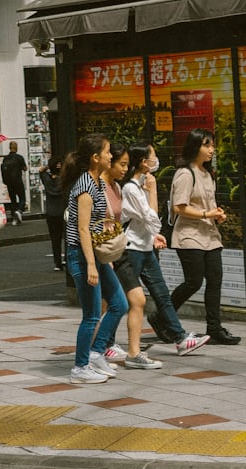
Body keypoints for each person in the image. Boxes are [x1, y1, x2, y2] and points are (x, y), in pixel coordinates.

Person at [121, 143, 209, 356]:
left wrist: (153, 237)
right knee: (120, 300)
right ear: (143, 162)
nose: (156, 160)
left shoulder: (139, 185)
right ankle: (103, 343)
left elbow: (148, 224)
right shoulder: (131, 188)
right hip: (131, 248)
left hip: (145, 246)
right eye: (153, 156)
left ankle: (180, 339)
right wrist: (152, 191)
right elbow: (152, 218)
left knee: (161, 293)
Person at [63, 133, 127, 384]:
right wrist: (91, 265)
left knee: (119, 304)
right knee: (91, 315)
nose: (111, 156)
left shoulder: (97, 181)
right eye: (108, 151)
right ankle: (80, 367)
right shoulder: (85, 187)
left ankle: (97, 353)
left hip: (95, 254)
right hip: (81, 255)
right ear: (95, 157)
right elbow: (81, 229)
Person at [169, 128, 240, 345]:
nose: (211, 150)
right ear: (195, 147)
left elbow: (208, 203)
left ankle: (215, 328)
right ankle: (164, 316)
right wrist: (207, 213)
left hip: (209, 235)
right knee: (194, 282)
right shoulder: (185, 173)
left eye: (212, 145)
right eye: (206, 145)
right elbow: (179, 207)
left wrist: (217, 214)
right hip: (189, 235)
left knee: (215, 280)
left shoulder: (207, 174)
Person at [99, 145, 163, 370]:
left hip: (119, 248)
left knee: (136, 300)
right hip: (104, 252)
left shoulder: (117, 187)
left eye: (127, 164)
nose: (126, 169)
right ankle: (96, 353)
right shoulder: (97, 187)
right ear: (108, 162)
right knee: (108, 305)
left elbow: (126, 219)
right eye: (122, 164)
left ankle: (133, 353)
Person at [39, 155, 66, 271]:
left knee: (55, 238)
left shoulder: (47, 179)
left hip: (51, 212)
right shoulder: (63, 179)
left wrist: (48, 166)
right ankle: (67, 260)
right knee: (67, 237)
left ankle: (57, 263)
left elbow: (41, 170)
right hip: (62, 211)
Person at [1, 141, 27, 225]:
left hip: (9, 183)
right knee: (22, 198)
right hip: (18, 181)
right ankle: (19, 211)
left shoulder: (6, 158)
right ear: (16, 147)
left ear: (9, 148)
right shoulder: (19, 157)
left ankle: (14, 219)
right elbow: (25, 168)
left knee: (13, 200)